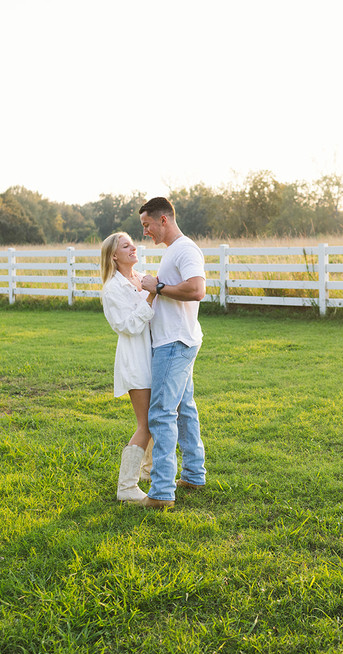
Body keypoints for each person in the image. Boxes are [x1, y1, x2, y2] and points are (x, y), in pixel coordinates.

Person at [137, 197, 207, 510]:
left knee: (162, 413)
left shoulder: (185, 249)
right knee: (185, 409)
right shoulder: (172, 252)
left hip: (175, 342)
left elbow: (196, 290)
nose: (145, 232)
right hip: (178, 339)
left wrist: (159, 287)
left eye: (147, 225)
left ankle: (162, 492)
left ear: (163, 220)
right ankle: (193, 474)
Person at [100, 232, 157, 502]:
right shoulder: (112, 289)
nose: (133, 247)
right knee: (145, 423)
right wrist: (150, 299)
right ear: (114, 256)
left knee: (156, 417)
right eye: (125, 245)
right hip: (135, 358)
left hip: (155, 354)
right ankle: (126, 487)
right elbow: (127, 326)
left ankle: (148, 470)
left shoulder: (142, 278)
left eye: (132, 242)